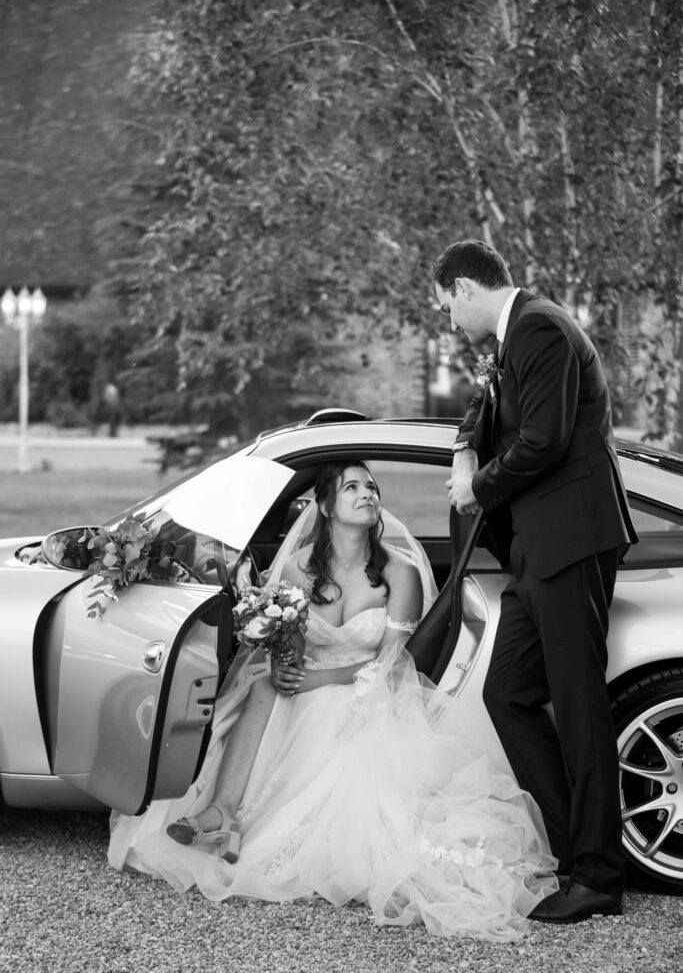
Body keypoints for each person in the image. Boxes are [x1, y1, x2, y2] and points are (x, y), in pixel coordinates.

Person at [108, 461, 557, 941]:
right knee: (263, 686)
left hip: (370, 693)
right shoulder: (300, 567)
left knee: (326, 709)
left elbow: (391, 662)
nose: (368, 494)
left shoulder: (398, 571)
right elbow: (293, 649)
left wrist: (316, 680)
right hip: (310, 685)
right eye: (353, 487)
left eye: (372, 487)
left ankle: (236, 820)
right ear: (325, 505)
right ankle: (222, 812)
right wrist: (286, 665)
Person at [433, 239, 638, 925]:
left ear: (463, 288)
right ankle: (571, 847)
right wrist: (466, 448)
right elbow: (493, 413)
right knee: (509, 693)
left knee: (579, 707)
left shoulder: (541, 327)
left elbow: (544, 439)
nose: (447, 320)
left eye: (444, 305)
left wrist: (476, 490)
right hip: (536, 549)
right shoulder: (516, 334)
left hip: (570, 539)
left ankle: (599, 878)